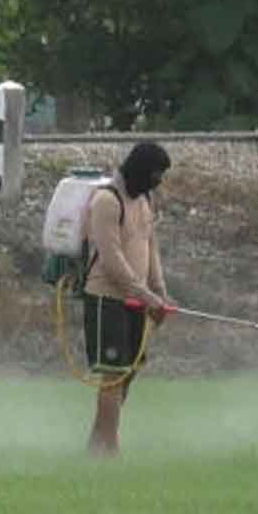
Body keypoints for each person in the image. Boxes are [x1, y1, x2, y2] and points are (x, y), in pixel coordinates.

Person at [81, 141, 173, 457]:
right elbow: (111, 258)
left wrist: (159, 290)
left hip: (137, 301)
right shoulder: (107, 201)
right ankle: (111, 450)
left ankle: (97, 444)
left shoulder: (145, 199)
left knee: (127, 373)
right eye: (155, 174)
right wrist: (145, 295)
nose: (157, 181)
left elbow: (150, 245)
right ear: (138, 170)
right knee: (113, 373)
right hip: (107, 299)